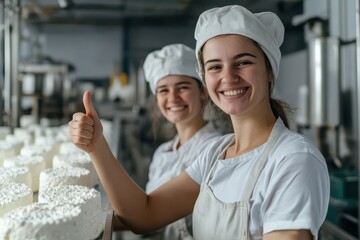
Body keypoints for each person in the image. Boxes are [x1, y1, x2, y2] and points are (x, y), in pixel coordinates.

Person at [69, 5, 330, 240]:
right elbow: (145, 215)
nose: (228, 77)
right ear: (205, 79)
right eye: (215, 67)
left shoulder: (293, 160)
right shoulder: (215, 154)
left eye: (243, 62)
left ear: (269, 70)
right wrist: (97, 147)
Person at [141, 43, 222, 239]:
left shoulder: (215, 149)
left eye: (183, 87)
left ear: (203, 91)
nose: (173, 98)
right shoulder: (162, 153)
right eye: (163, 90)